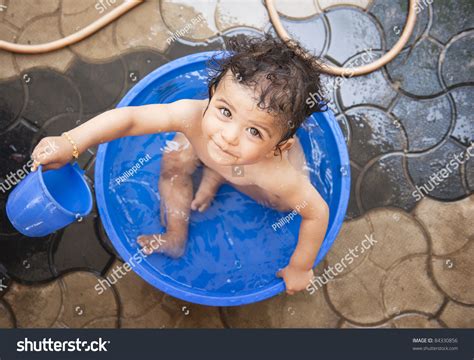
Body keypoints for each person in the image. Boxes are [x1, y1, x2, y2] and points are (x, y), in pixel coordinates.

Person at [31, 34, 329, 294]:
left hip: (255, 182)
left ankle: (219, 175)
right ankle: (176, 237)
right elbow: (131, 119)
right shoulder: (191, 115)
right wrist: (71, 143)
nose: (229, 136)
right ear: (212, 95)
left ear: (280, 145)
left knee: (280, 204)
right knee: (174, 161)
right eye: (225, 112)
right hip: (226, 159)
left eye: (254, 131)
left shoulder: (279, 176)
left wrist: (300, 267)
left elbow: (317, 213)